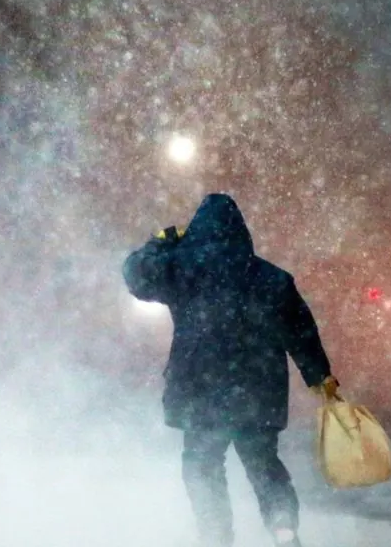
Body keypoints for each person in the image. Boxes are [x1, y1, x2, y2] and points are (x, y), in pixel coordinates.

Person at [122, 193, 339, 547]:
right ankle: (283, 530)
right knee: (264, 466)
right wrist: (320, 377)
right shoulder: (272, 278)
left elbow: (135, 275)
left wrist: (160, 243)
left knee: (202, 466)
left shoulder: (182, 268)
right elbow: (301, 332)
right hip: (259, 390)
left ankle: (216, 536)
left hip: (199, 391)